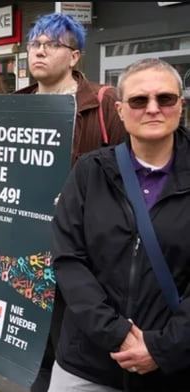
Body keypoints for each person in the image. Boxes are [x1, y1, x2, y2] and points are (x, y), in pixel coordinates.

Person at [50, 57, 190, 391]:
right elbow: (69, 259)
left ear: (180, 106)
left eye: (165, 99)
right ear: (120, 110)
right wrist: (116, 334)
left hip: (175, 366)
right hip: (87, 362)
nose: (153, 108)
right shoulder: (89, 171)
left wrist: (163, 347)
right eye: (139, 100)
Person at [12, 13, 127, 392]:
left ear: (74, 56)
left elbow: (131, 169)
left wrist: (85, 197)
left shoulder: (102, 102)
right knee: (33, 342)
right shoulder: (14, 104)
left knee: (71, 341)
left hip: (81, 251)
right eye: (34, 44)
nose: (39, 51)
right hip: (25, 244)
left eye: (51, 44)